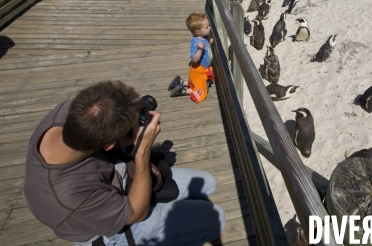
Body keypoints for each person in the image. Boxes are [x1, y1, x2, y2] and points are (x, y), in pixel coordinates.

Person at [24, 80, 225, 245]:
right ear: (109, 144)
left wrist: (125, 136)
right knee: (217, 218)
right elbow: (136, 213)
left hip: (112, 178)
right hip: (107, 228)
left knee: (207, 183)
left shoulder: (71, 112)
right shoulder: (67, 196)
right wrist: (143, 149)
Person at [169, 13, 215, 103]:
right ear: (197, 32)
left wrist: (209, 42)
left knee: (194, 82)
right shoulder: (196, 43)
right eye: (206, 27)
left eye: (209, 26)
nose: (209, 28)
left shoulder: (202, 38)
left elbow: (205, 45)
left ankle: (180, 83)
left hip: (199, 70)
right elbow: (195, 59)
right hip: (198, 69)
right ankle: (183, 91)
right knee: (201, 89)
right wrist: (200, 50)